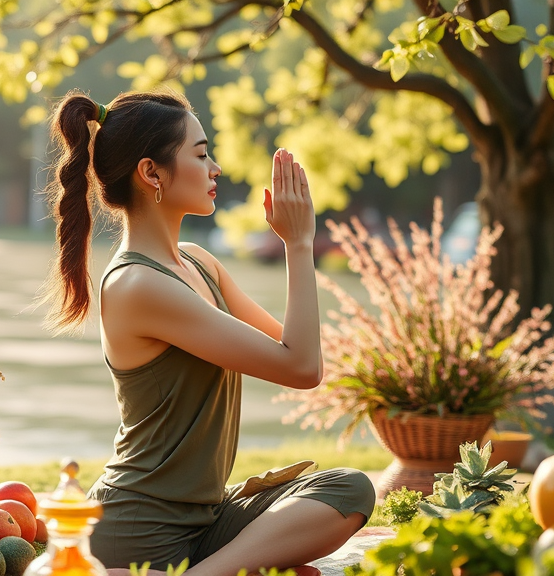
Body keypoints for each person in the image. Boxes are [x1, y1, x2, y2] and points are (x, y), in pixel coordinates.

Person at [43, 89, 375, 576]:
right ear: (151, 173)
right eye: (200, 155)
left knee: (349, 489)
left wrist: (296, 242)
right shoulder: (137, 284)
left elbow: (299, 355)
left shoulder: (200, 263)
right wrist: (299, 244)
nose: (215, 168)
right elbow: (300, 367)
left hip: (206, 522)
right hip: (139, 530)